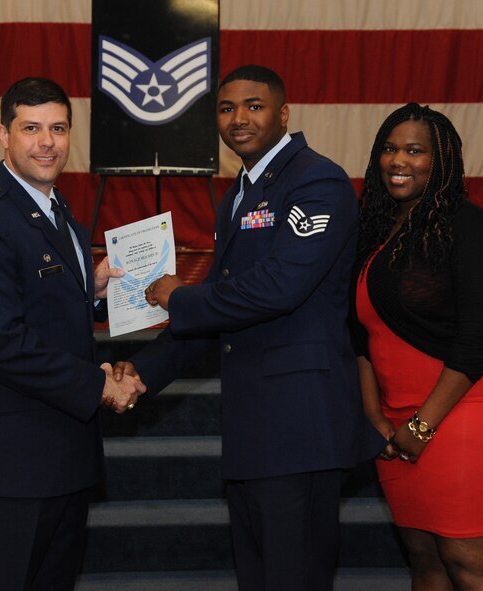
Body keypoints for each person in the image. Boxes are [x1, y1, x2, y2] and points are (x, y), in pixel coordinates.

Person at [114, 65, 382, 591]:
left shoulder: (317, 180)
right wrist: (143, 375)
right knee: (259, 577)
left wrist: (179, 295)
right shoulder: (238, 194)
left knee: (292, 576)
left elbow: (279, 287)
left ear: (283, 113)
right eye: (227, 108)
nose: (239, 118)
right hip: (255, 426)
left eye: (254, 106)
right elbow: (219, 313)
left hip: (300, 424)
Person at [0, 77, 145, 591]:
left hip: (62, 459)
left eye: (57, 127)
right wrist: (98, 385)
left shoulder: (63, 217)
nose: (46, 141)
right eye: (30, 128)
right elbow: (1, 344)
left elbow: (44, 307)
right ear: (3, 135)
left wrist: (93, 292)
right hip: (6, 467)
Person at [350, 103, 483, 590]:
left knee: (468, 562)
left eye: (414, 150)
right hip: (395, 419)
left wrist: (423, 424)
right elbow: (360, 338)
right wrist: (374, 417)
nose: (398, 160)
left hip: (469, 406)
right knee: (424, 559)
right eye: (389, 148)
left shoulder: (470, 227)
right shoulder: (372, 232)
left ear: (442, 160)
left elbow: (478, 337)